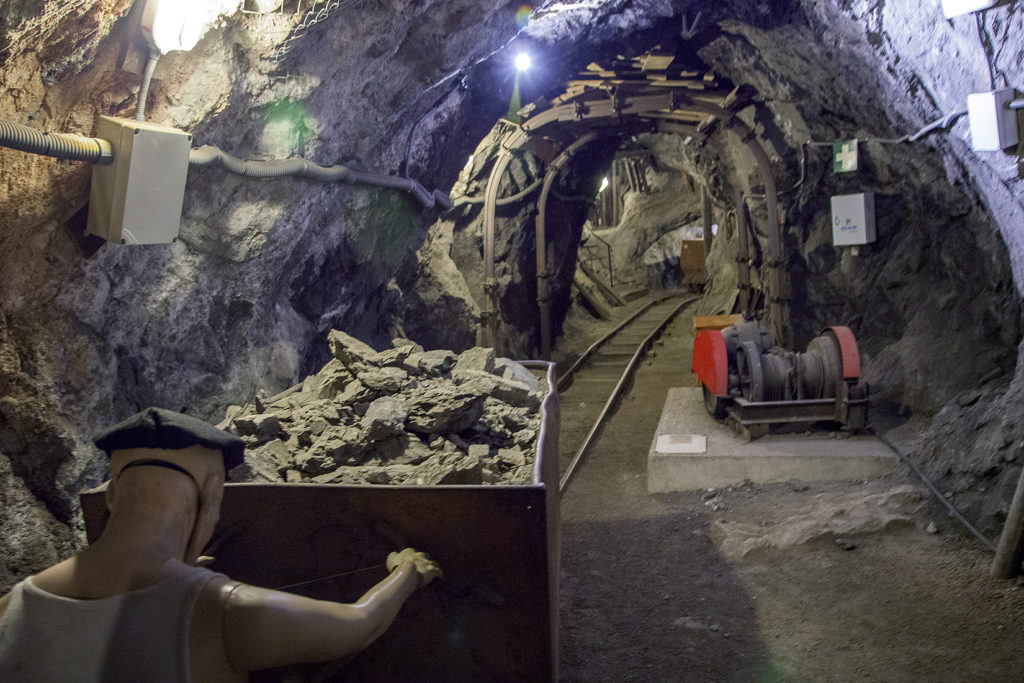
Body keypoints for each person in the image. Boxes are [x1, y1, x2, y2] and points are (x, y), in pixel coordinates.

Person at [0, 407, 441, 681]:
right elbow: (360, 625)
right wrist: (407, 572)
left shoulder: (9, 607)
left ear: (112, 493)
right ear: (212, 496)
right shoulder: (222, 612)